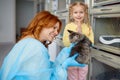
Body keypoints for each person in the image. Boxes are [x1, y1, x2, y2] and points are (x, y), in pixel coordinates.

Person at [0, 11, 85, 80]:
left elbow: (40, 69)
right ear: (41, 25)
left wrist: (59, 60)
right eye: (54, 28)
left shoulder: (25, 42)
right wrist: (63, 66)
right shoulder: (37, 48)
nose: (56, 33)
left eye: (57, 30)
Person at [62, 2, 94, 80]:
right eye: (75, 12)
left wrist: (81, 34)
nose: (78, 15)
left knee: (82, 77)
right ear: (71, 14)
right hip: (71, 58)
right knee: (72, 77)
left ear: (85, 14)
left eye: (81, 12)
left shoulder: (88, 27)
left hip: (83, 59)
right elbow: (65, 42)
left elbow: (91, 43)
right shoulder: (68, 26)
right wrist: (76, 38)